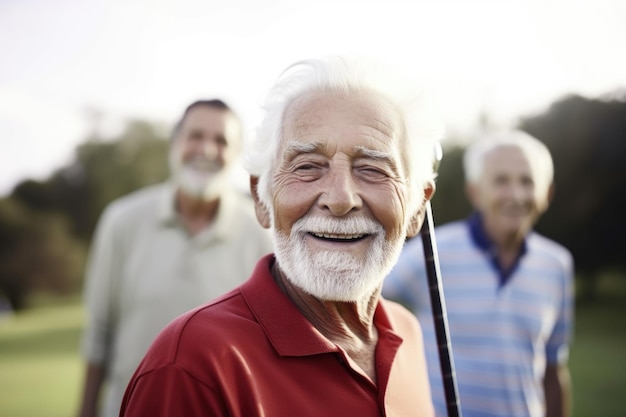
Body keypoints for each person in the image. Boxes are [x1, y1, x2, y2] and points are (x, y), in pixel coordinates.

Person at [118, 56, 445, 417]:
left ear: (417, 209)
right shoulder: (191, 365)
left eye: (372, 169)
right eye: (307, 167)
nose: (339, 199)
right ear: (261, 198)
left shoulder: (408, 333)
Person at [77, 99, 273, 417]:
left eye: (221, 141)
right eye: (195, 136)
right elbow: (99, 333)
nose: (207, 150)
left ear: (236, 155)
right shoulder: (121, 220)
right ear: (175, 144)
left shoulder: (263, 232)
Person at [383, 130, 575, 417]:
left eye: (527, 181)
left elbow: (553, 368)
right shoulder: (432, 250)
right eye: (501, 181)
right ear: (475, 192)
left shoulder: (557, 264)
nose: (516, 195)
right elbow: (357, 301)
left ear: (546, 193)